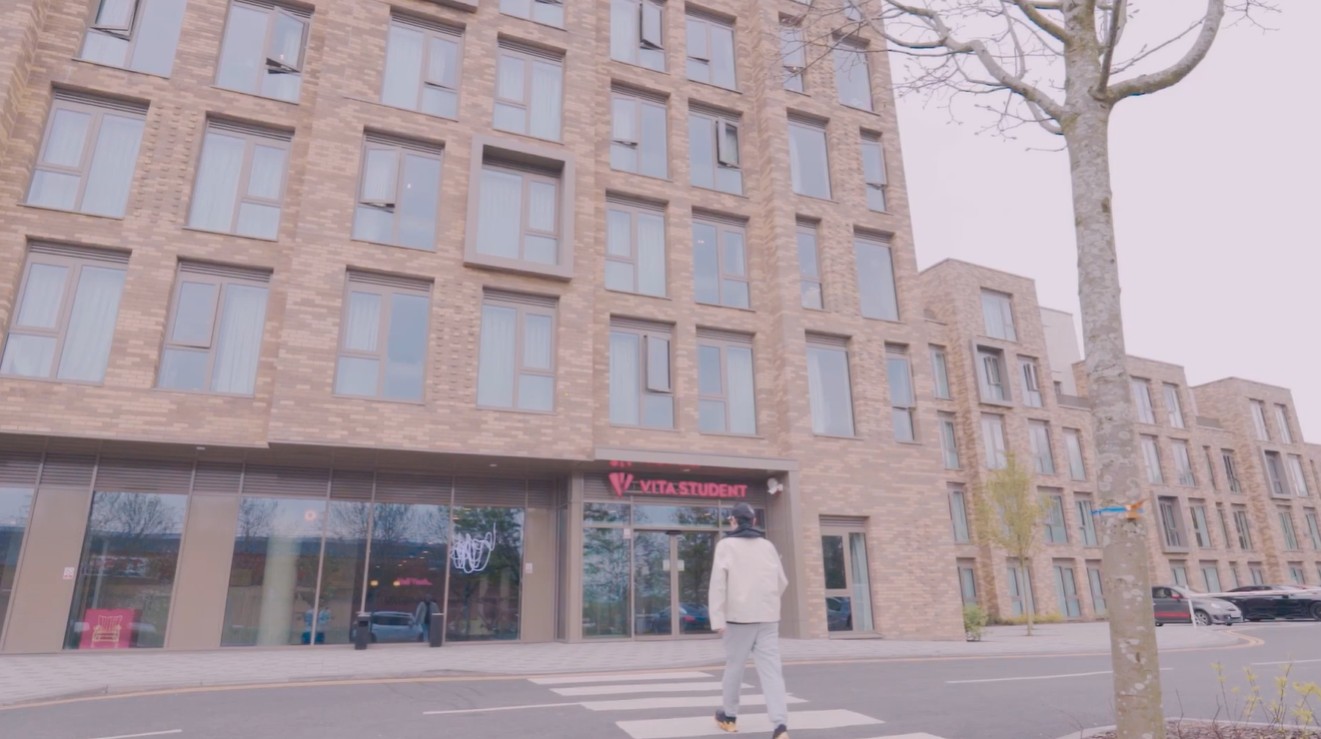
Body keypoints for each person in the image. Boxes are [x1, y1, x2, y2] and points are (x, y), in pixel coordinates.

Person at [708, 502, 790, 739]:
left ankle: (730, 717)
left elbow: (718, 584)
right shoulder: (767, 546)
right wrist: (769, 602)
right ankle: (780, 726)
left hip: (737, 619)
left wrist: (718, 620)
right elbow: (781, 581)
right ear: (754, 522)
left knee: (734, 668)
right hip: (768, 617)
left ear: (732, 521)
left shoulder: (725, 546)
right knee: (772, 672)